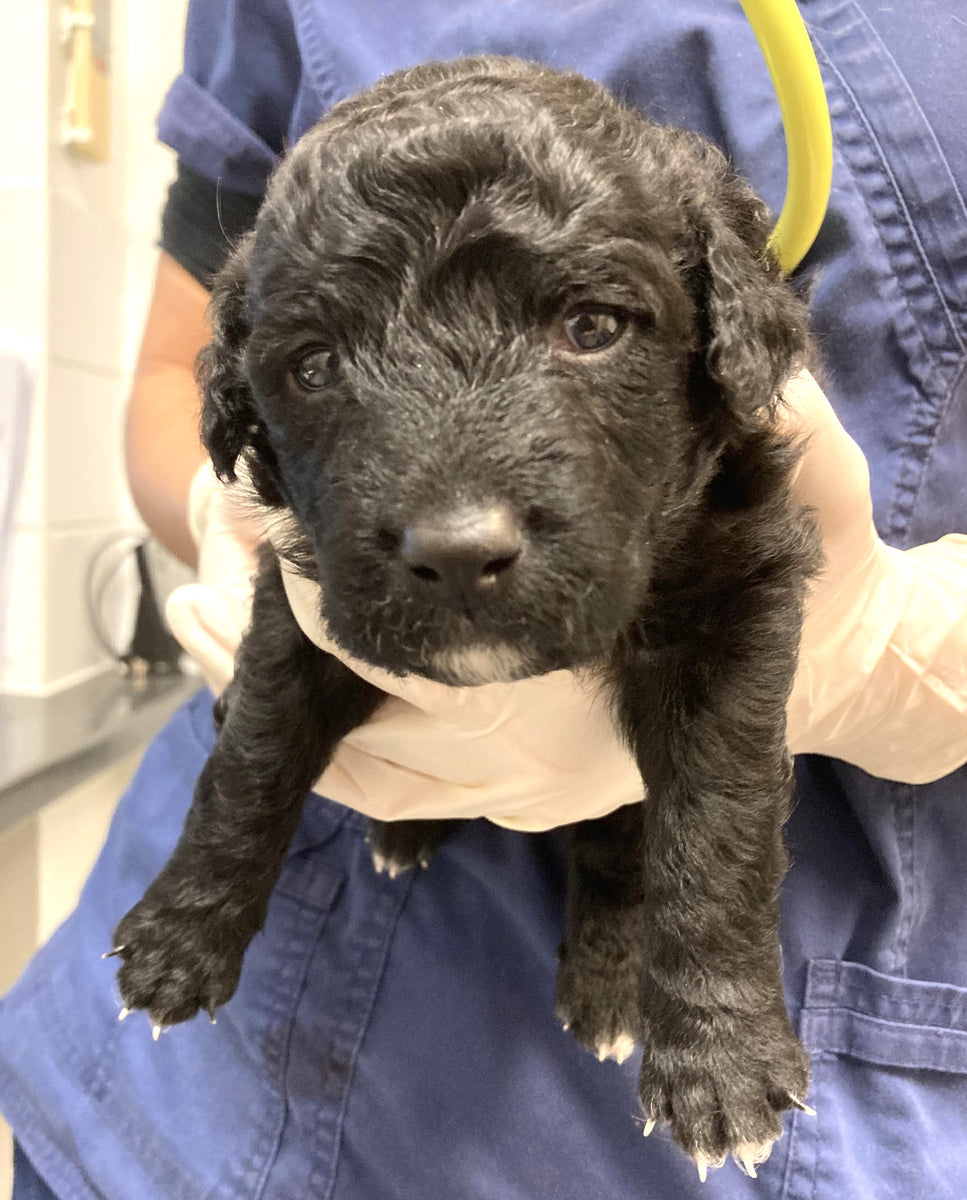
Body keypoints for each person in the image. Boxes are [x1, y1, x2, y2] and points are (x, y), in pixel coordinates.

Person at [2, 1, 967, 1197]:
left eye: (591, 324)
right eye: (317, 364)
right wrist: (219, 512)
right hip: (184, 1103)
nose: (460, 517)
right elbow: (172, 373)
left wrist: (897, 652)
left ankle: (621, 926)